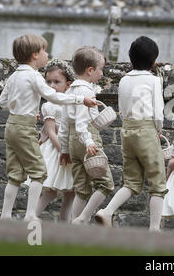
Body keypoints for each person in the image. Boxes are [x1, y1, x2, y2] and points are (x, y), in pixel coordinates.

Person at [0, 35, 98, 222]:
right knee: (38, 172)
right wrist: (80, 99)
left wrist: (24, 109)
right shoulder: (34, 76)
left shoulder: (14, 76)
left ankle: (5, 215)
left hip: (11, 125)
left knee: (14, 174)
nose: (46, 55)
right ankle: (30, 215)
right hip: (24, 128)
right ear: (35, 55)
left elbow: (2, 101)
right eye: (44, 51)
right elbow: (54, 97)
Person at [95, 36, 166, 231]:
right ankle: (154, 229)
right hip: (146, 130)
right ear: (153, 62)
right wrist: (157, 131)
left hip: (127, 130)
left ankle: (107, 211)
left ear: (130, 59)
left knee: (132, 182)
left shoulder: (124, 79)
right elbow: (158, 111)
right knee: (157, 182)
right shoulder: (153, 80)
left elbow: (123, 107)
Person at [58, 46, 115, 225]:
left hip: (73, 142)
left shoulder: (70, 91)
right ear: (90, 70)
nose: (102, 73)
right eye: (101, 69)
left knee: (81, 188)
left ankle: (74, 225)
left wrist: (65, 149)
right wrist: (89, 141)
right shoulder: (86, 92)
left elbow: (65, 124)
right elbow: (83, 122)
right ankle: (82, 218)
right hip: (86, 139)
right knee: (106, 184)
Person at [32, 59, 76, 222]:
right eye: (48, 82)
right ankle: (31, 216)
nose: (51, 86)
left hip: (68, 149)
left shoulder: (70, 104)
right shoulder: (50, 105)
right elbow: (51, 132)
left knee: (70, 193)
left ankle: (66, 229)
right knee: (50, 191)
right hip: (56, 151)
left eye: (57, 82)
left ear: (68, 84)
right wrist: (63, 151)